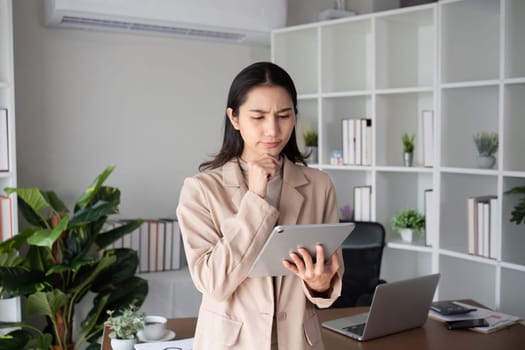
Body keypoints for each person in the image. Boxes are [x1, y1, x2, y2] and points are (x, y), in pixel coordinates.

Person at [176, 61, 343, 350]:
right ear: (235, 118)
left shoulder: (320, 185)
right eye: (258, 116)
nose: (273, 129)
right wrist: (254, 197)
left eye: (284, 115)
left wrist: (321, 284)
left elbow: (328, 282)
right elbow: (214, 282)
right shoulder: (201, 190)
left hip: (298, 342)